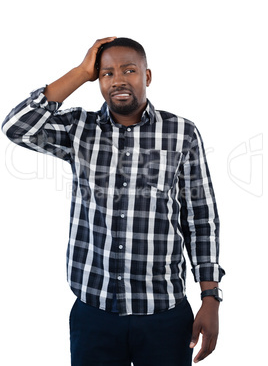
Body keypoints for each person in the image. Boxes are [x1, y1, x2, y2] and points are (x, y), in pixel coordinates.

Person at [2, 36, 225, 366]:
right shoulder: (79, 129)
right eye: (106, 73)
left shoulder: (181, 133)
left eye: (129, 70)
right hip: (94, 313)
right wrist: (80, 71)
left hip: (164, 312)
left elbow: (201, 218)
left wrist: (210, 297)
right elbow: (16, 128)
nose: (118, 80)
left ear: (147, 77)